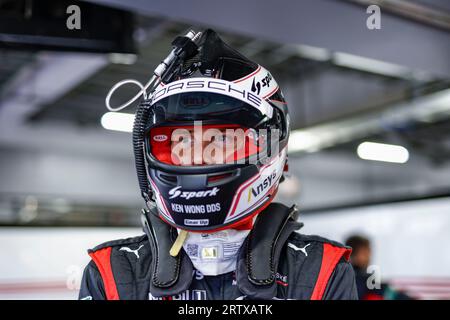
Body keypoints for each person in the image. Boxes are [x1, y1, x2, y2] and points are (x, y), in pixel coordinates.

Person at [79, 29, 358, 300]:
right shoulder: (111, 271)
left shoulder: (323, 270)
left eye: (222, 141)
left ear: (271, 144)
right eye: (182, 142)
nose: (199, 156)